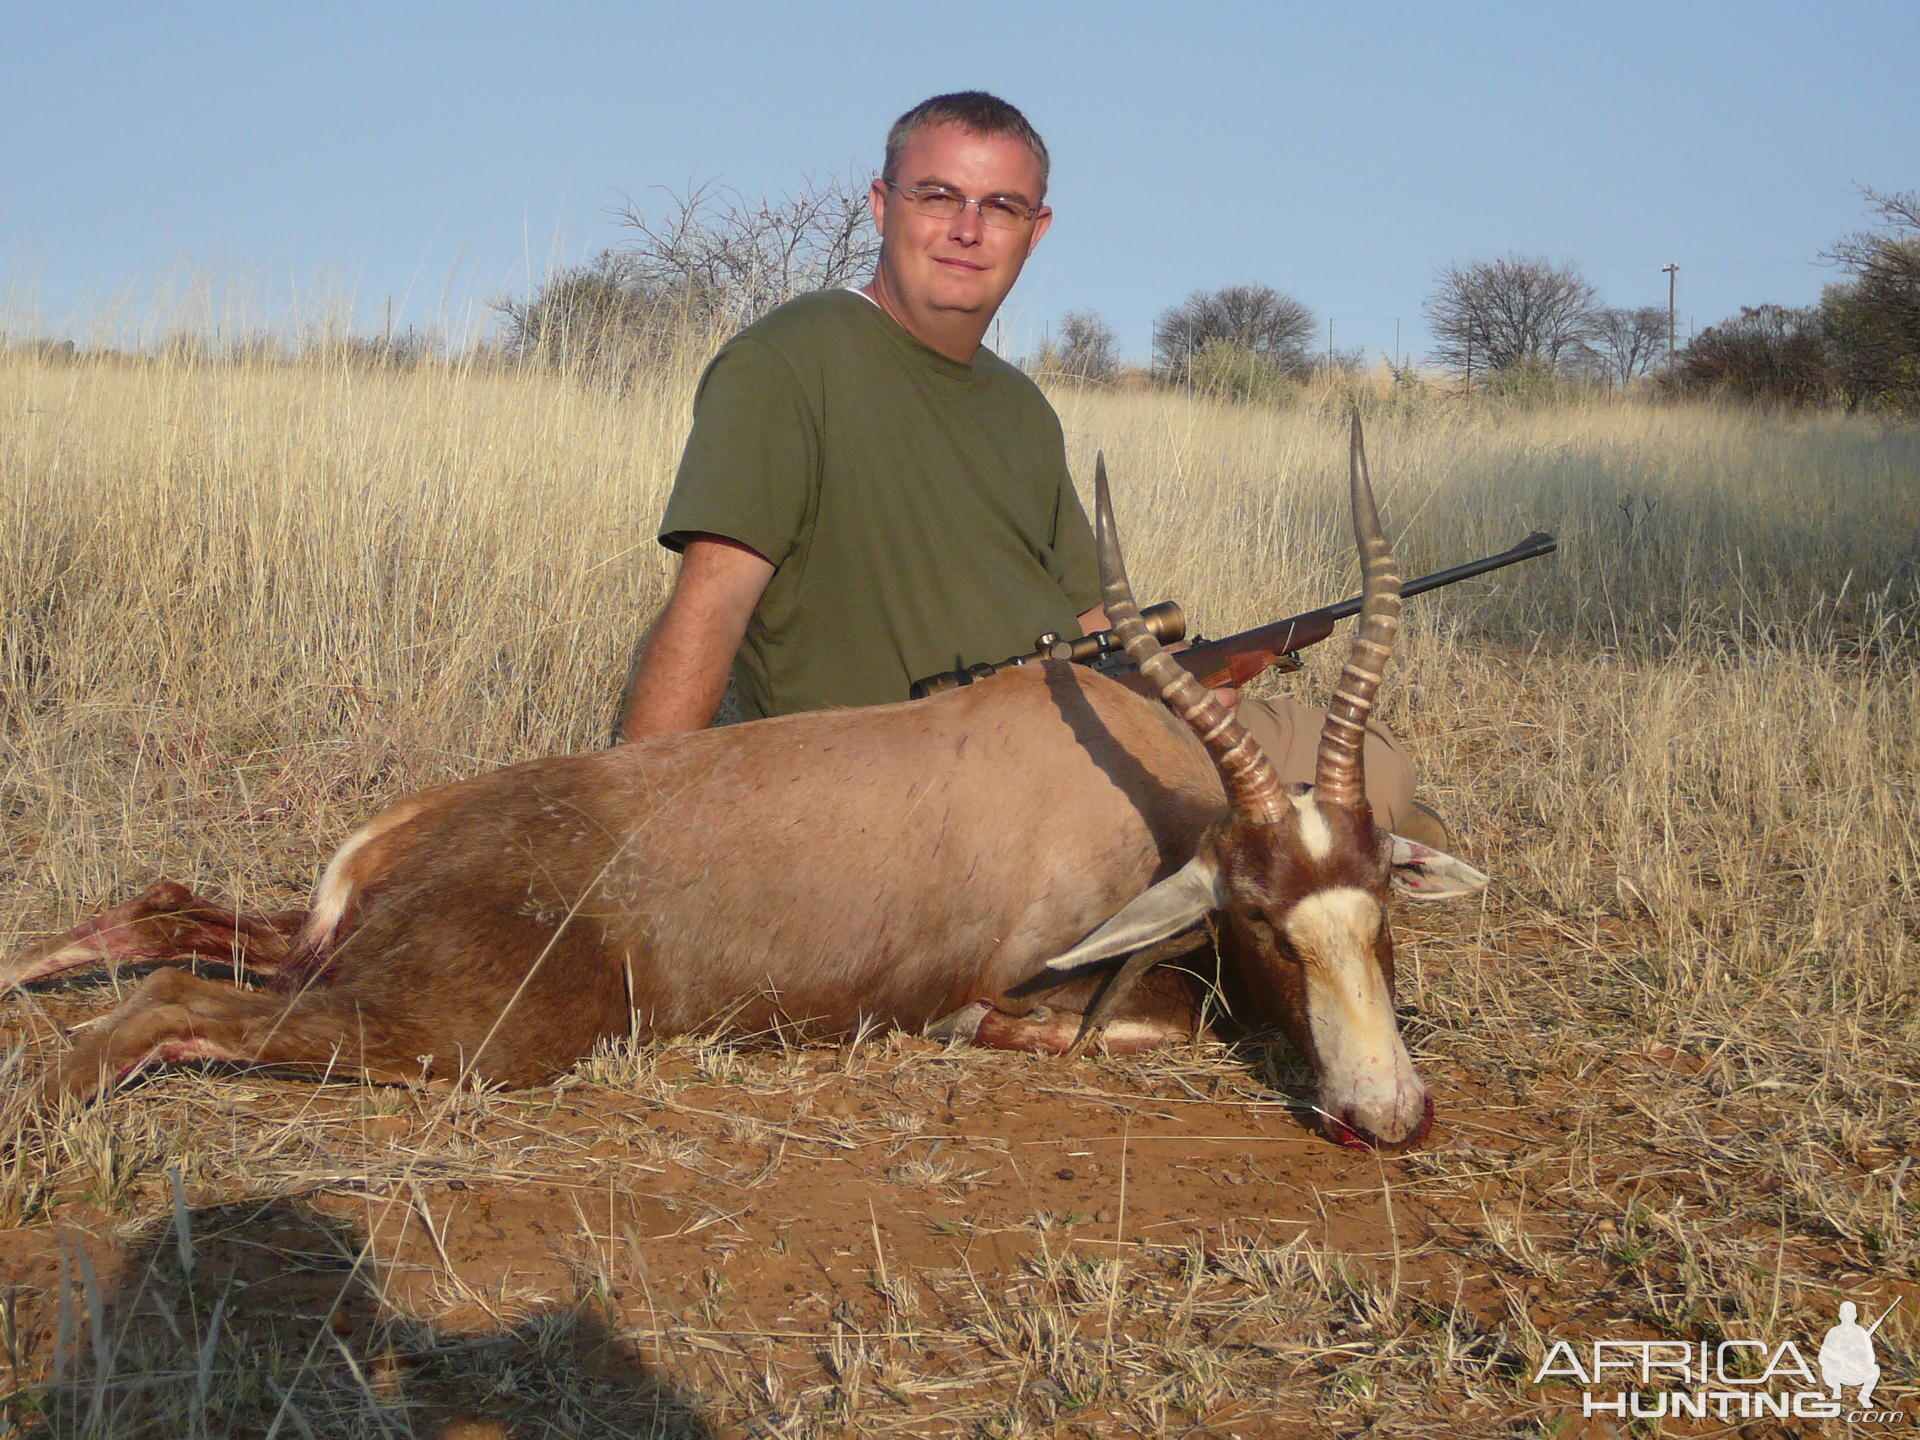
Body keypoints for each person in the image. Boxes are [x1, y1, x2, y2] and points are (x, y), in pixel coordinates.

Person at [616, 91, 1447, 848]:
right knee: (1333, 818)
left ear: (1036, 229)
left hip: (1080, 719)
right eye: (937, 195)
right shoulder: (790, 358)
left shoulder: (1019, 404)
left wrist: (1187, 690)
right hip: (926, 776)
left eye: (1000, 207)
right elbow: (711, 601)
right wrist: (632, 828)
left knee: (1377, 766)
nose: (967, 230)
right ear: (881, 205)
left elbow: (1093, 615)